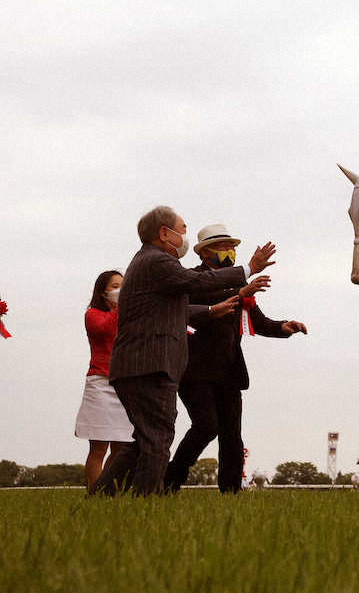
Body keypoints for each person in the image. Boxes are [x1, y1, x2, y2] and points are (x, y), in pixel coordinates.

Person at [90, 206, 275, 496]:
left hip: (141, 366)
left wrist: (213, 311)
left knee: (144, 441)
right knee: (157, 440)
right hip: (149, 366)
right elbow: (198, 282)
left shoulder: (151, 263)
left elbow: (178, 309)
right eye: (182, 229)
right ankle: (145, 503)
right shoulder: (157, 261)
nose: (184, 236)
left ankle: (99, 499)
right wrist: (248, 269)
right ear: (164, 233)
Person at [164, 223, 306, 494]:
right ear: (205, 253)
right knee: (206, 426)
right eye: (223, 247)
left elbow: (258, 322)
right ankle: (170, 480)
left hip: (229, 371)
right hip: (194, 371)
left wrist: (284, 327)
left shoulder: (238, 284)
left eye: (232, 247)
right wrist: (239, 292)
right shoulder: (193, 279)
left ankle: (230, 492)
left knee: (232, 436)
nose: (230, 251)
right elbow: (202, 303)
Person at [74, 270, 133, 488]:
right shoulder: (92, 315)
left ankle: (109, 490)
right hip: (100, 383)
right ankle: (94, 492)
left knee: (121, 448)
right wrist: (121, 307)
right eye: (116, 286)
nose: (121, 290)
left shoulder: (129, 315)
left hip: (124, 383)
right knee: (98, 448)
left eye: (124, 285)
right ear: (103, 292)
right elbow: (104, 327)